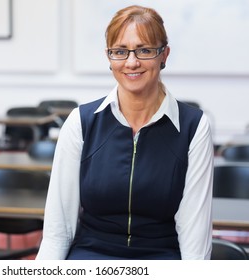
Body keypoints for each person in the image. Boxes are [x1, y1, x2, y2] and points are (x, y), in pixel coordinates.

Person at [36, 5, 213, 260]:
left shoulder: (193, 127)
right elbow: (58, 231)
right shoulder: (81, 123)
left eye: (144, 50)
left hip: (161, 257)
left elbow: (194, 237)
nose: (132, 62)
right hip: (91, 256)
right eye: (120, 51)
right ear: (109, 58)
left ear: (164, 55)